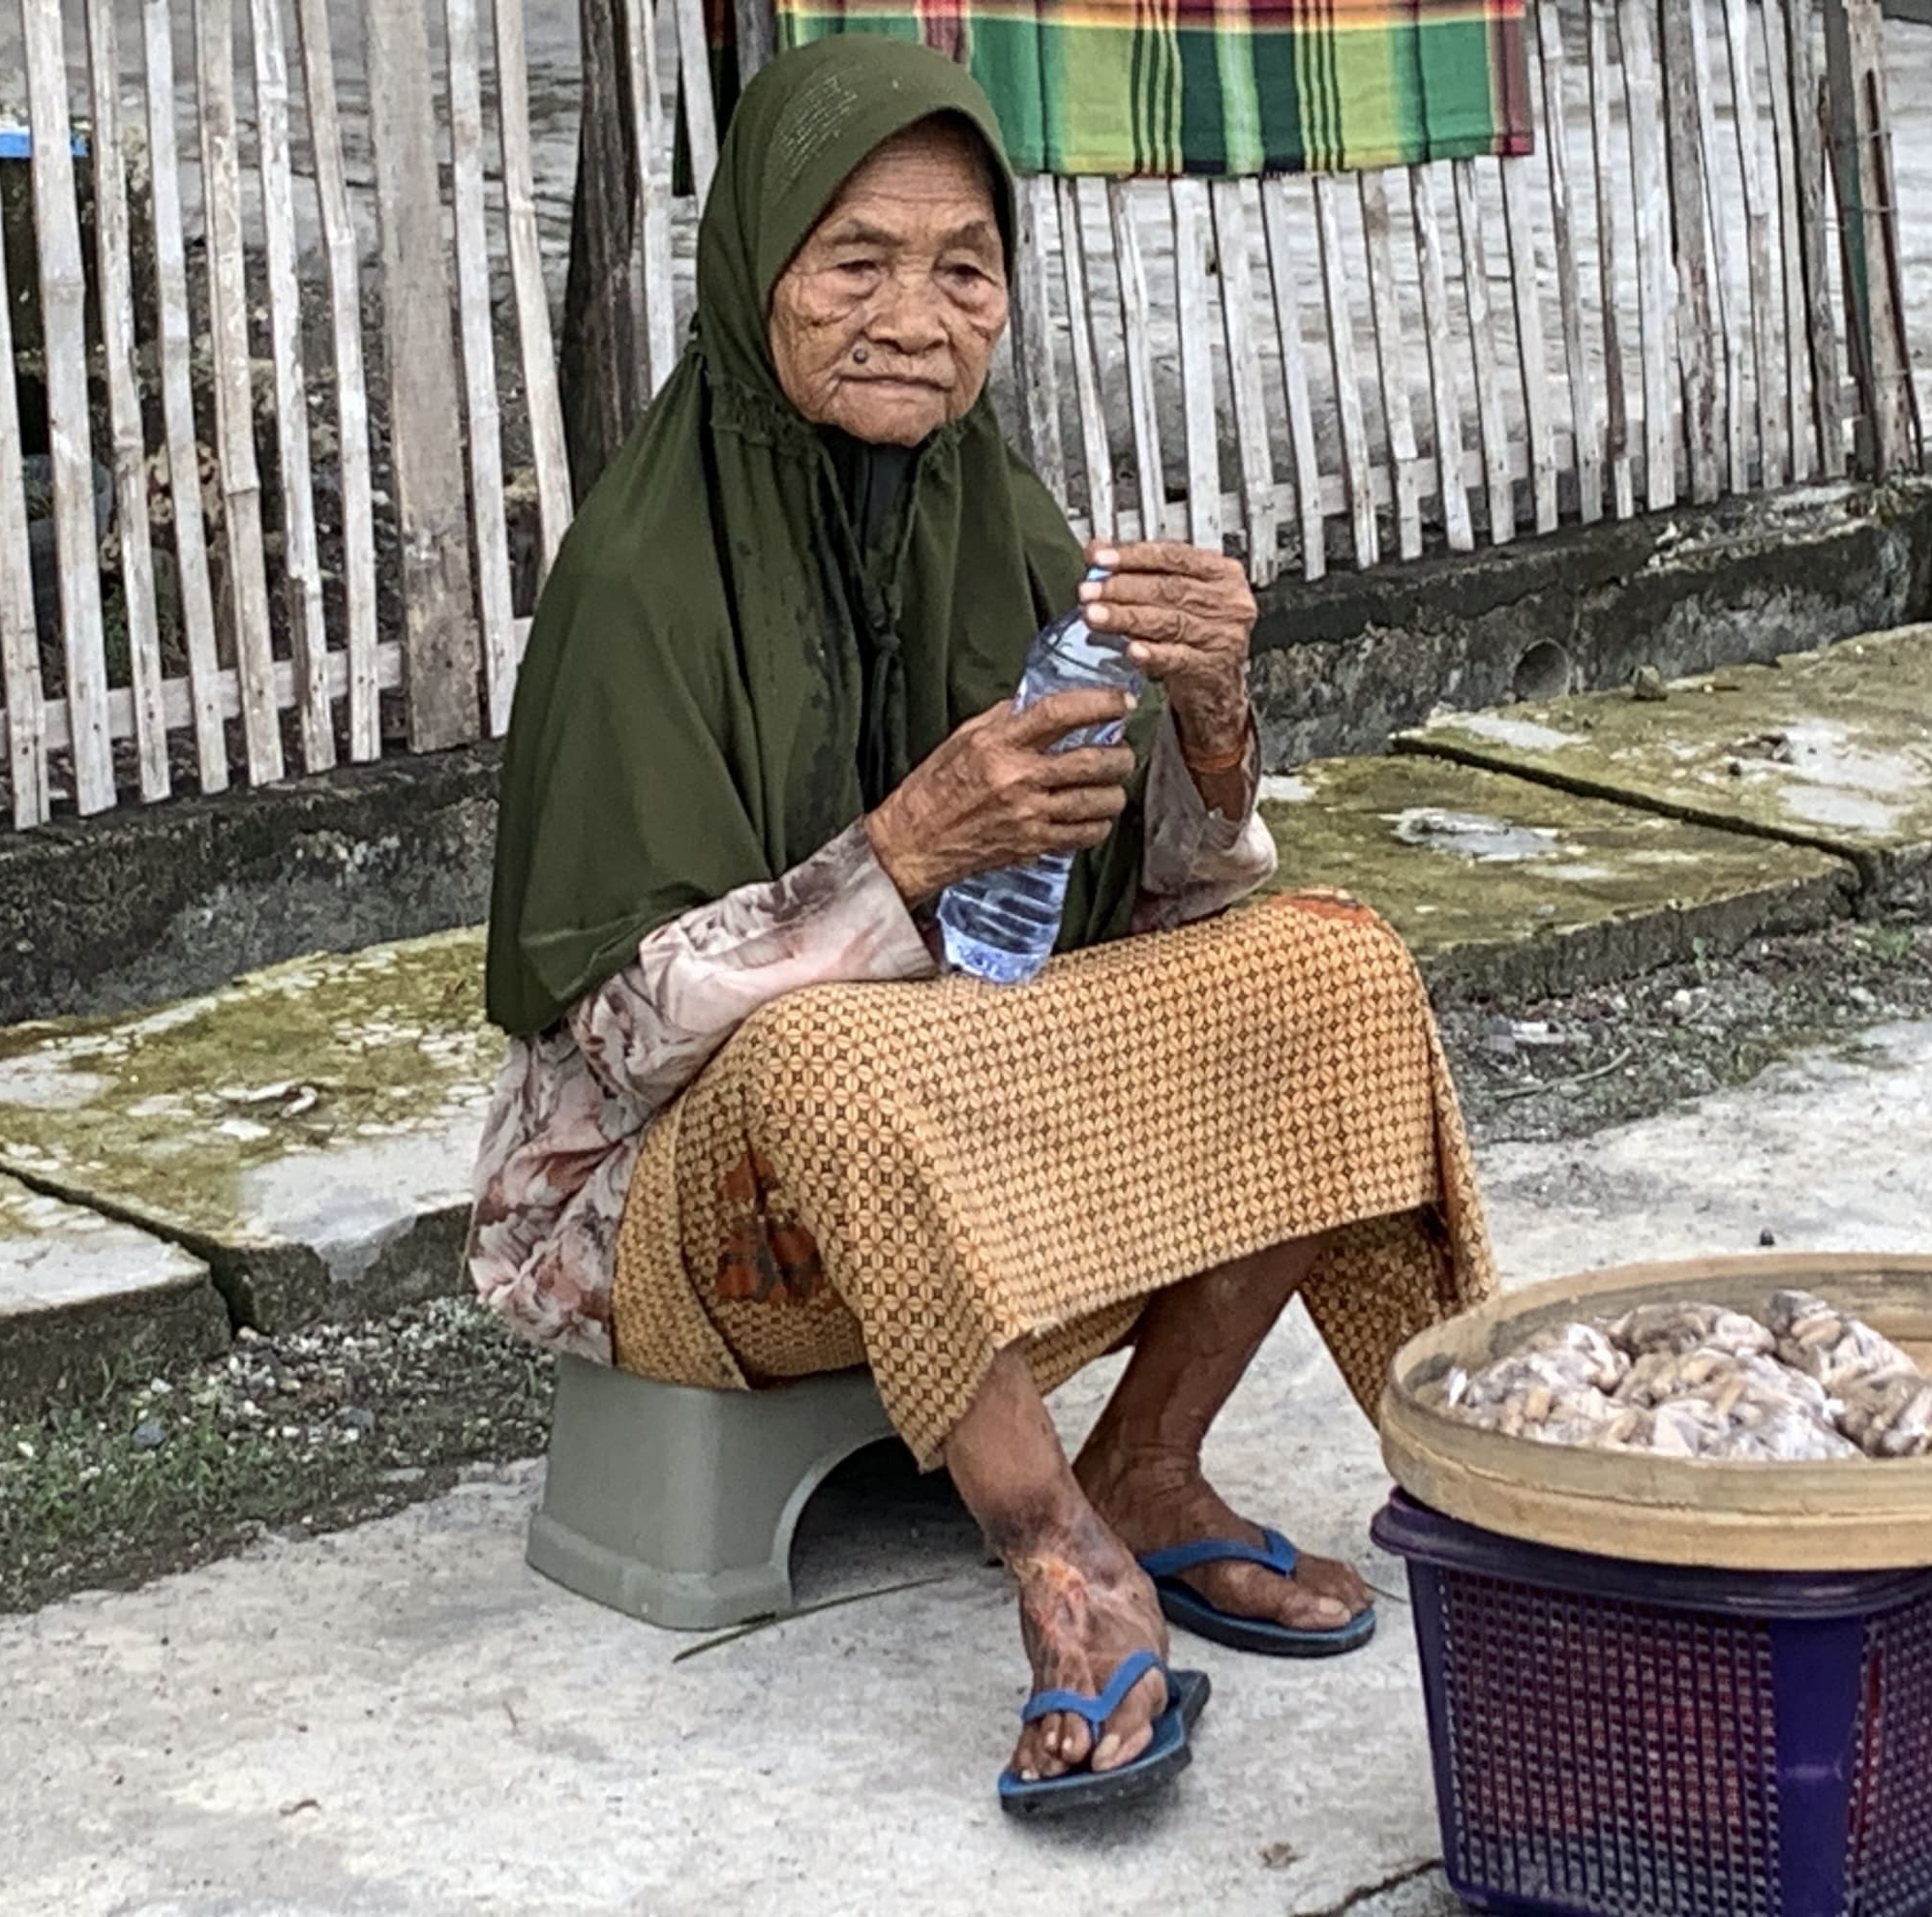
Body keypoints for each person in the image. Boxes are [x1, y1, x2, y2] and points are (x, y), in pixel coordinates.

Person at [471, 35, 1494, 1814]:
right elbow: (615, 1038)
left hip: (959, 1119)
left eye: (965, 269)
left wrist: (1212, 721)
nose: (913, 318)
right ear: (758, 270)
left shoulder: (1003, 519)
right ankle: (1063, 1559)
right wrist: (901, 855)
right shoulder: (640, 577)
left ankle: (1149, 1464)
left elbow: (1164, 906)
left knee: (1330, 970)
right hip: (657, 1217)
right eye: (855, 260)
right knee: (829, 1052)